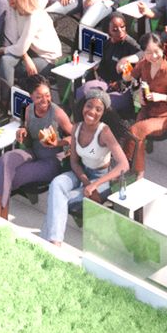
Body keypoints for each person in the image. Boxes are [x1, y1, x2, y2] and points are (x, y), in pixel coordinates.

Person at [41, 92, 129, 245]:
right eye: (89, 106)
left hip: (101, 179)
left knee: (61, 199)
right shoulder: (76, 127)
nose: (92, 112)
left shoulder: (105, 132)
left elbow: (124, 165)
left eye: (98, 109)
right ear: (83, 106)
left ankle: (52, 242)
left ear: (103, 113)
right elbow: (74, 162)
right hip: (81, 173)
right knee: (56, 184)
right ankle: (52, 241)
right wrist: (85, 181)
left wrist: (94, 184)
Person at [0, 80, 74, 220]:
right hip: (33, 151)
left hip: (52, 161)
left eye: (47, 95)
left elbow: (75, 136)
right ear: (31, 97)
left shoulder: (57, 112)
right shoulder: (28, 110)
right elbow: (26, 130)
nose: (44, 100)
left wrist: (58, 142)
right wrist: (22, 130)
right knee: (3, 161)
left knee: (4, 176)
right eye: (39, 97)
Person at [124, 32, 167, 178]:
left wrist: (162, 96)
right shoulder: (144, 64)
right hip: (147, 110)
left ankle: (130, 170)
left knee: (135, 131)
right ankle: (135, 172)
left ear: (162, 49)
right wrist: (125, 70)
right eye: (148, 53)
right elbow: (131, 76)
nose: (153, 56)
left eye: (156, 52)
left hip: (164, 117)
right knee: (134, 136)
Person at [1, 0, 61, 86]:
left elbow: (20, 48)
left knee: (7, 64)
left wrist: (4, 50)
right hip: (30, 52)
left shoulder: (34, 16)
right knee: (5, 60)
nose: (10, 0)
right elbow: (14, 38)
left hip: (48, 60)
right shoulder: (16, 10)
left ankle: (6, 100)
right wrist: (26, 58)